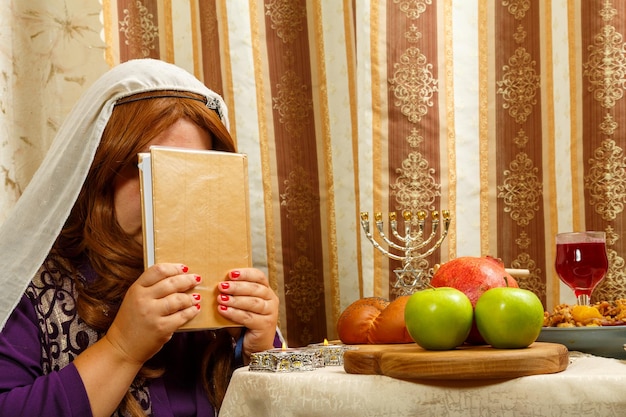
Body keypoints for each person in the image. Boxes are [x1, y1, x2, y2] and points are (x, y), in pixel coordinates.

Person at [0, 59, 280, 417]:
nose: (172, 193)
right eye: (148, 168)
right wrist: (121, 348)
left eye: (191, 173)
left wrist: (259, 353)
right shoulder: (31, 289)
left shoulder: (218, 277)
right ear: (100, 170)